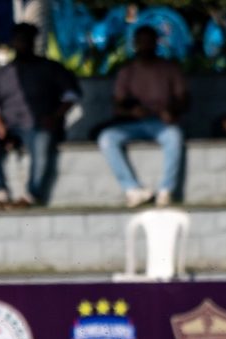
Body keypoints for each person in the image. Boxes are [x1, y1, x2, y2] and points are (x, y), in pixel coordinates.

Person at [0, 23, 81, 210]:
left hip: (39, 124)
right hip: (7, 124)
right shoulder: (1, 73)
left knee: (42, 143)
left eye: (27, 39)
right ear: (13, 42)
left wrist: (55, 117)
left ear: (33, 41)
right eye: (19, 39)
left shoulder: (51, 68)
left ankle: (32, 195)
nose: (23, 43)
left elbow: (71, 95)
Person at [97, 25, 188, 208]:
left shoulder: (169, 68)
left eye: (149, 41)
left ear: (156, 43)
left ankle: (165, 191)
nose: (145, 46)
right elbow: (117, 104)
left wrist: (171, 112)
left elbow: (184, 99)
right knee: (106, 138)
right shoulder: (127, 71)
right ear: (135, 44)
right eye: (141, 42)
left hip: (161, 124)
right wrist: (132, 112)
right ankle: (132, 190)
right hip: (133, 124)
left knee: (175, 136)